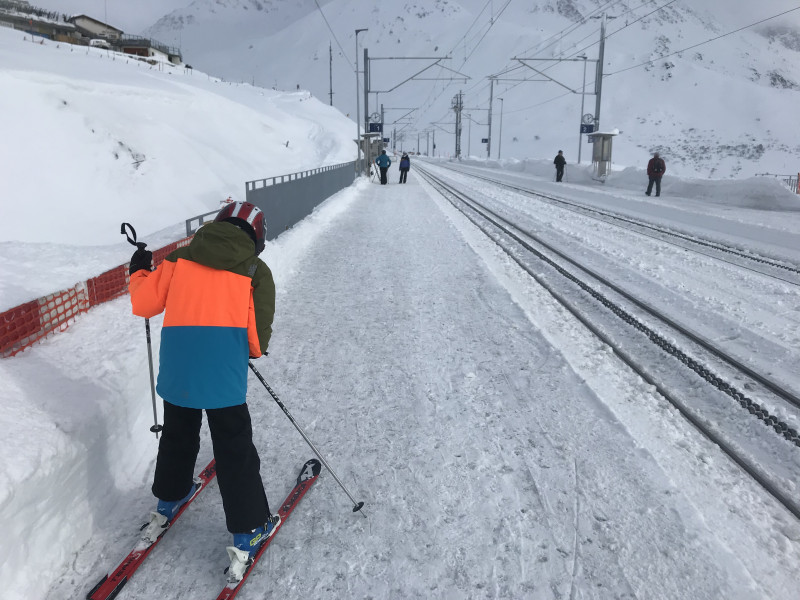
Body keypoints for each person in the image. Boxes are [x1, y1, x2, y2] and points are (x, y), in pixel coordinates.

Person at [128, 201, 278, 584]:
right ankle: (249, 531)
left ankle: (169, 497)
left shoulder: (179, 259)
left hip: (178, 371)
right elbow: (256, 344)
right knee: (233, 448)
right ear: (256, 237)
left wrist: (140, 271)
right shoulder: (255, 271)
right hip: (223, 378)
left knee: (177, 435)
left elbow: (144, 303)